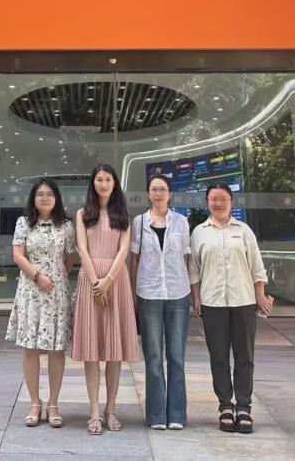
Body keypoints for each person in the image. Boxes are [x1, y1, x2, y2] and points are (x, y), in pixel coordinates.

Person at [189, 183, 273, 435]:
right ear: (207, 202)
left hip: (243, 301)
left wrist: (260, 296)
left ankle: (244, 407)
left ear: (231, 202)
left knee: (245, 356)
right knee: (219, 357)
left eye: (223, 199)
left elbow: (257, 267)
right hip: (212, 302)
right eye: (213, 199)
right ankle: (225, 405)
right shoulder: (199, 233)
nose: (218, 203)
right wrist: (196, 298)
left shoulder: (243, 231)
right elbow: (194, 270)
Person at [71, 163, 140, 436]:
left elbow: (124, 250)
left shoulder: (123, 215)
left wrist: (108, 280)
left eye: (108, 179)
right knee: (91, 350)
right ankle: (94, 411)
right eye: (99, 179)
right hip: (91, 281)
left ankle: (111, 409)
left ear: (115, 183)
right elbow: (82, 248)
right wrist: (95, 281)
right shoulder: (82, 214)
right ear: (93, 183)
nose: (103, 184)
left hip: (116, 280)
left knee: (114, 350)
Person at [6, 178, 76, 428]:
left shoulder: (66, 226)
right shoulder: (23, 222)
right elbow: (18, 255)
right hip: (31, 291)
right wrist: (38, 276)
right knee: (30, 348)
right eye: (40, 194)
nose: (45, 198)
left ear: (56, 198)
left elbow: (70, 258)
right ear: (33, 199)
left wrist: (56, 278)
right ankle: (35, 403)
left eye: (49, 194)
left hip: (56, 293)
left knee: (57, 348)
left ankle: (53, 403)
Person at [130, 173, 192, 430]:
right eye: (154, 189)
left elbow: (186, 256)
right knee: (153, 356)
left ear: (170, 194)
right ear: (148, 193)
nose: (158, 193)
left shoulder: (181, 222)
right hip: (149, 293)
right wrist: (133, 293)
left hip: (178, 293)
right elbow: (134, 258)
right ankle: (156, 415)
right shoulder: (139, 222)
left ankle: (176, 414)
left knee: (176, 355)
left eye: (162, 189)